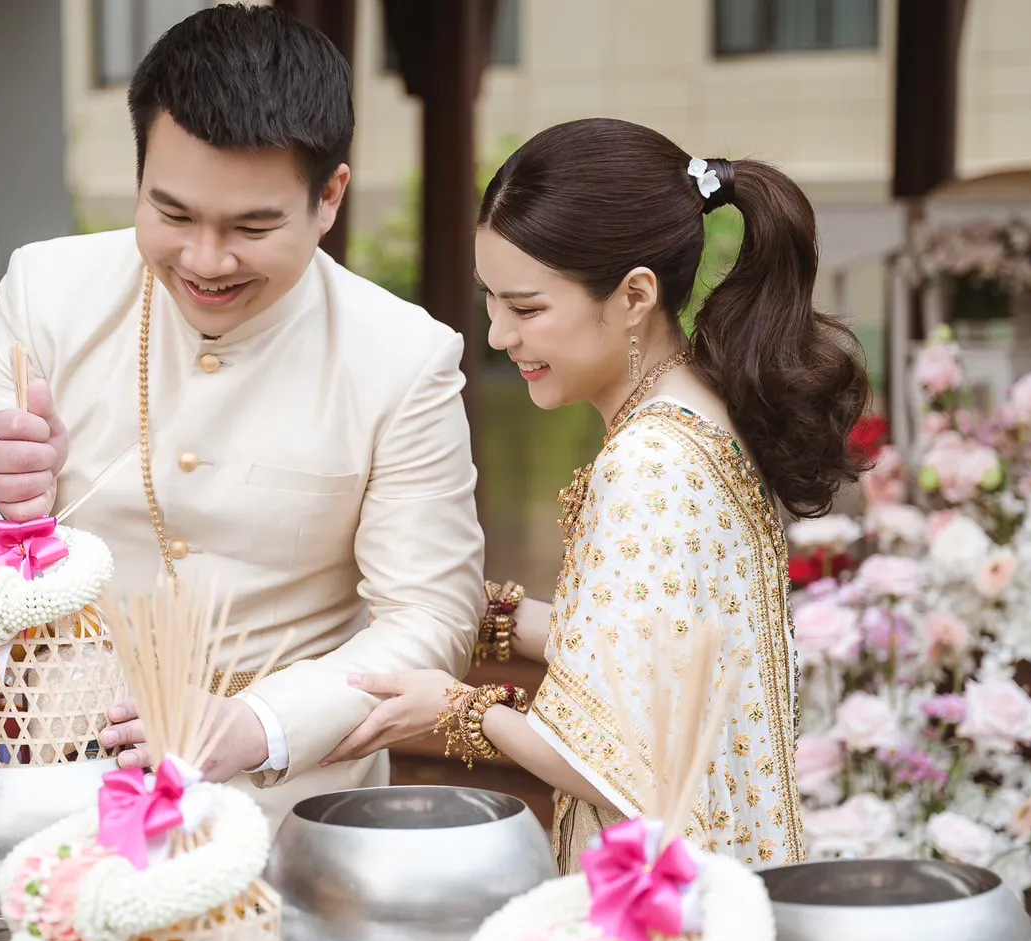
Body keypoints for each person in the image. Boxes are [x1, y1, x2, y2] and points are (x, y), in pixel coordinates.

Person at [0, 4, 484, 826]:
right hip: (47, 797)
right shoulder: (48, 293)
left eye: (252, 226)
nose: (206, 261)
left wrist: (263, 724)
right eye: (172, 215)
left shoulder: (403, 354)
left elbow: (431, 618)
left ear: (329, 198)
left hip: (287, 818)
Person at [325, 117, 871, 870]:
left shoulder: (650, 462)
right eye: (492, 302)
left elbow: (623, 762)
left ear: (634, 295)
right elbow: (648, 656)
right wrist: (488, 616)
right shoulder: (694, 413)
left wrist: (456, 708)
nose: (498, 335)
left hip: (665, 903)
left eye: (526, 308)